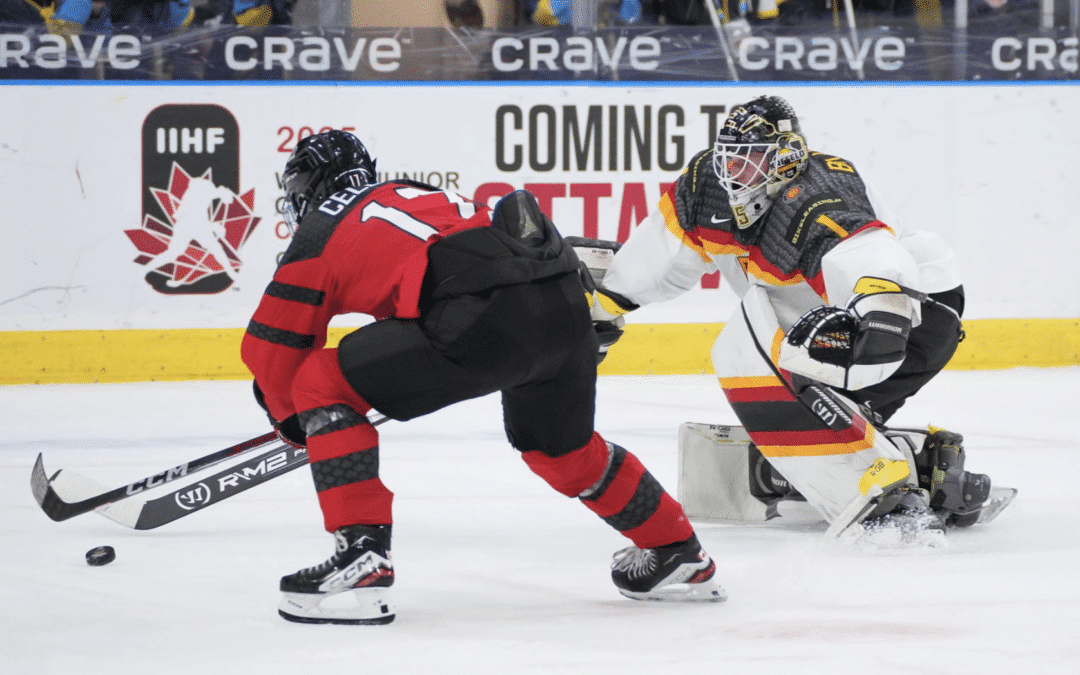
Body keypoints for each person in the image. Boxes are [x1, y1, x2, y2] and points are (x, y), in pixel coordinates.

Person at [240, 130, 724, 625]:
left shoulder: (318, 231)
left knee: (319, 382)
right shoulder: (416, 192)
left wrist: (295, 421)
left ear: (307, 190)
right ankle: (677, 552)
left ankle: (361, 556)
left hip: (481, 314)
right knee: (562, 451)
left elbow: (271, 352)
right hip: (562, 299)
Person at [588, 95, 997, 547]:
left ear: (785, 160)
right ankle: (930, 466)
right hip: (854, 309)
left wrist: (882, 315)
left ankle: (884, 495)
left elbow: (869, 258)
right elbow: (660, 260)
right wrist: (601, 308)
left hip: (908, 308)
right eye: (730, 160)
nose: (733, 175)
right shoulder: (707, 184)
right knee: (805, 414)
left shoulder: (816, 192)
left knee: (746, 348)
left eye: (750, 162)